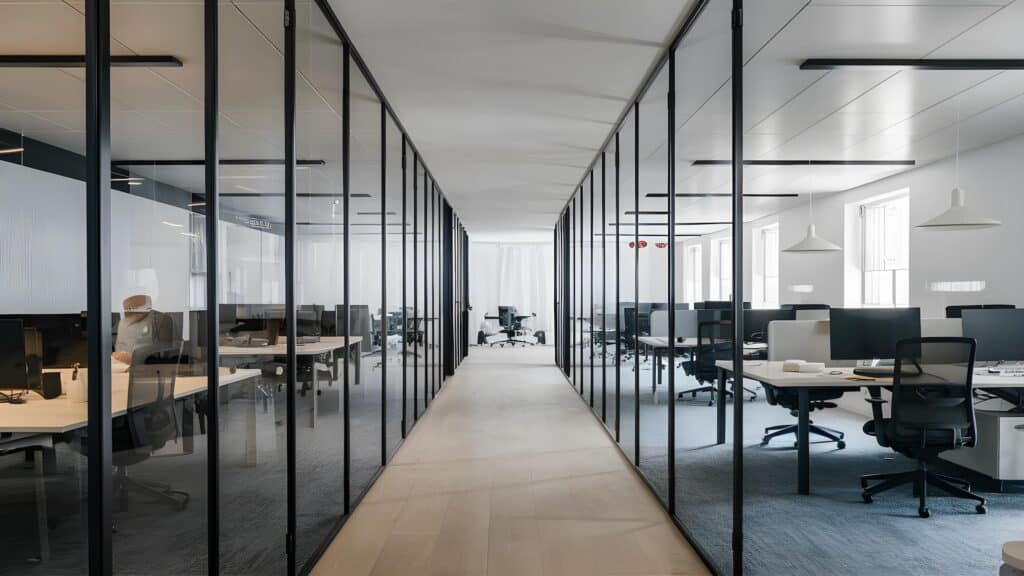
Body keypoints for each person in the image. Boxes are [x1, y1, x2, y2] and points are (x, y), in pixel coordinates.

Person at [112, 294, 174, 365]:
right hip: (124, 367)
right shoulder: (123, 322)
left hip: (146, 367)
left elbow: (165, 354)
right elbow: (119, 351)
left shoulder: (160, 319)